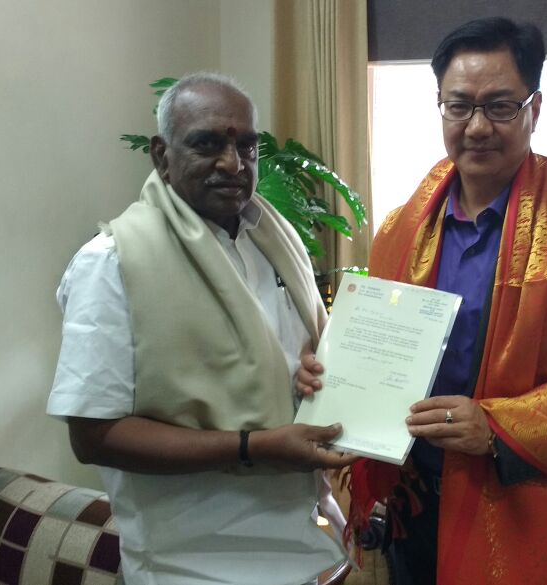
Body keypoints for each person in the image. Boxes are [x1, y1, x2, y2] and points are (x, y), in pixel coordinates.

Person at [297, 17, 547, 585]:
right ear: (441, 108)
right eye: (459, 106)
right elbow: (382, 352)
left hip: (528, 507)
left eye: (500, 106)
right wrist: (331, 373)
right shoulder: (402, 230)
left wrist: (499, 428)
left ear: (534, 109)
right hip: (416, 506)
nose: (477, 127)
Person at [46, 72, 357, 585]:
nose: (233, 164)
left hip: (308, 542)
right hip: (193, 563)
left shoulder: (273, 241)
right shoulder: (111, 262)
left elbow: (285, 364)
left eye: (247, 146)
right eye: (207, 144)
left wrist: (306, 379)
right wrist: (252, 447)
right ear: (161, 156)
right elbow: (94, 435)